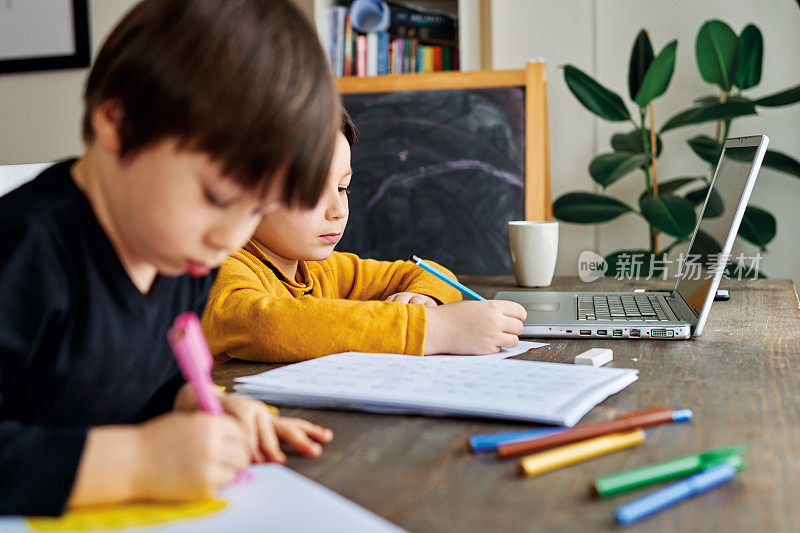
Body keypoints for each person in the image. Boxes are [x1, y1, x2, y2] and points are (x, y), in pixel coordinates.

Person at [0, 0, 338, 516]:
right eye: (218, 198)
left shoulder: (181, 255)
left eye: (259, 210)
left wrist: (206, 407)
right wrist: (134, 462)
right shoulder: (24, 251)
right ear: (119, 122)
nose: (230, 238)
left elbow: (135, 384)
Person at [202, 109, 527, 363]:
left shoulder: (320, 269)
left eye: (343, 188)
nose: (338, 210)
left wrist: (425, 299)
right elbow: (267, 323)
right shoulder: (219, 271)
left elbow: (428, 272)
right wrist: (434, 330)